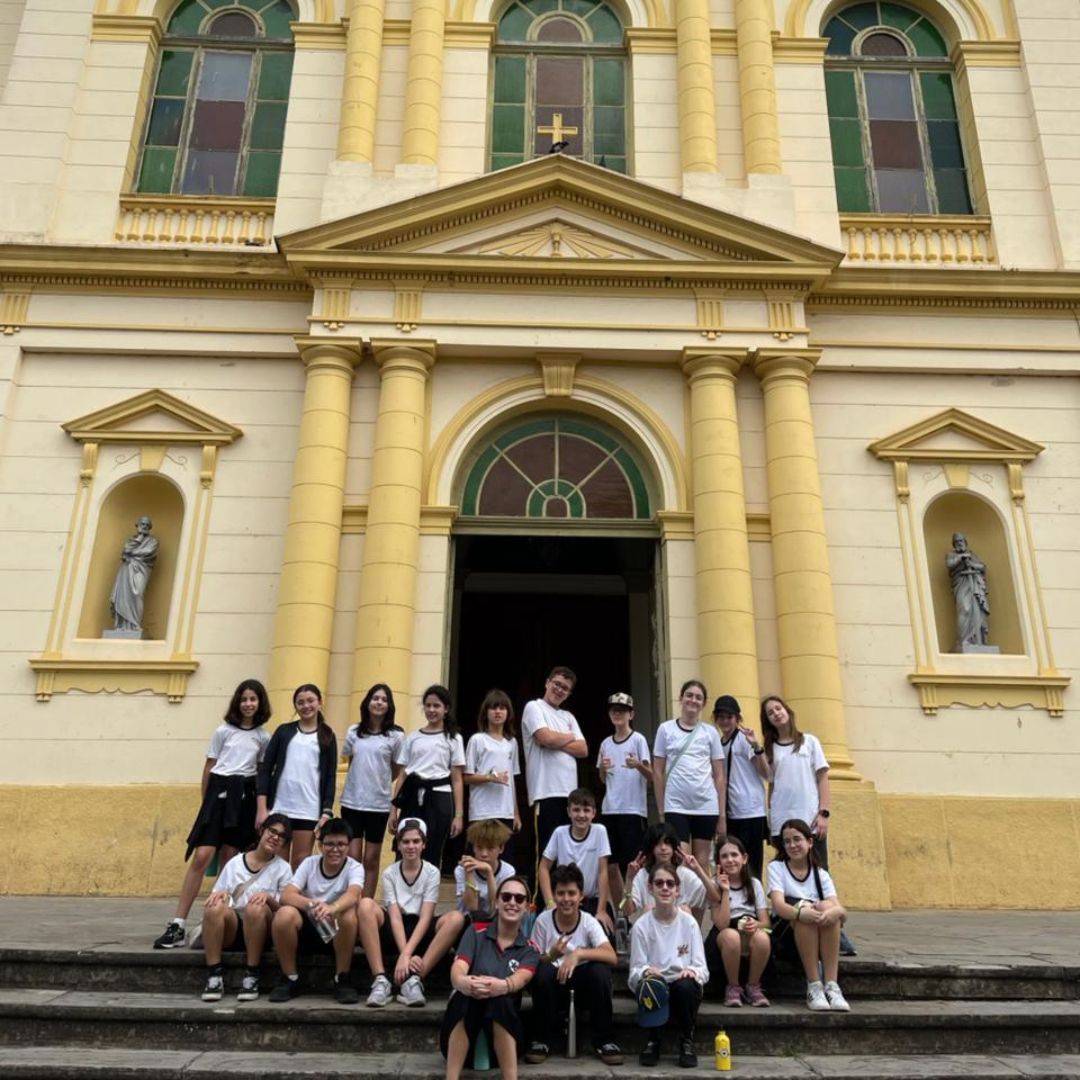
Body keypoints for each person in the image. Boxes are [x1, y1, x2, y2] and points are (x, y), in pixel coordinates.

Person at [153, 678, 272, 949]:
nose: (248, 704)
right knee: (202, 856)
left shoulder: (263, 737)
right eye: (244, 699)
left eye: (253, 699)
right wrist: (206, 802)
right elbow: (210, 766)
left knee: (230, 859)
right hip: (218, 795)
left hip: (243, 797)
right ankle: (178, 923)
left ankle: (214, 918)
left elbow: (260, 772)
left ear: (260, 703)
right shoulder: (223, 731)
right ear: (237, 702)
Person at [760, 694, 856, 956]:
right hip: (782, 822)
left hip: (810, 820)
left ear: (787, 710)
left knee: (820, 873)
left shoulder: (809, 742)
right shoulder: (770, 749)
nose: (776, 714)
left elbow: (823, 777)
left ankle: (834, 929)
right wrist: (771, 818)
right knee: (786, 876)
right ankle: (790, 927)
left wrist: (824, 812)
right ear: (767, 721)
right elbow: (771, 784)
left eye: (778, 708)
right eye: (770, 713)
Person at [359, 817, 466, 1007]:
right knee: (366, 904)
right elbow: (394, 917)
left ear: (424, 844)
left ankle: (414, 980)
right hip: (395, 930)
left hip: (421, 931)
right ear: (398, 845)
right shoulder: (389, 873)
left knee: (456, 918)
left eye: (416, 841)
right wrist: (406, 954)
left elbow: (426, 917)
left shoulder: (432, 872)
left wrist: (406, 955)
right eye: (406, 841)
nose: (411, 846)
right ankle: (380, 979)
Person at [441, 875, 539, 1080]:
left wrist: (500, 986)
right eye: (506, 897)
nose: (512, 902)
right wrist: (463, 982)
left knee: (500, 1000)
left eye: (519, 899)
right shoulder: (475, 932)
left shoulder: (529, 950)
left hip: (505, 1043)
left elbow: (520, 979)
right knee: (466, 995)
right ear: (497, 902)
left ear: (527, 908)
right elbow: (458, 969)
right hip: (461, 1040)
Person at [526, 863, 622, 1065]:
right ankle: (541, 1039)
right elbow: (531, 961)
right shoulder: (543, 920)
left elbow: (611, 956)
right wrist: (551, 955)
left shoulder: (588, 921)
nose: (566, 899)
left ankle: (604, 1040)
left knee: (600, 971)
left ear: (581, 896)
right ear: (554, 895)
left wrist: (578, 954)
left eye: (571, 893)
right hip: (553, 987)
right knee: (542, 972)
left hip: (583, 988)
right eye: (561, 893)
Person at [199, 813, 294, 1002]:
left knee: (255, 907)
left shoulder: (283, 868)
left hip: (262, 927)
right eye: (272, 831)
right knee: (214, 906)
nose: (275, 837)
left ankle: (252, 974)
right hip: (234, 927)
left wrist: (268, 898)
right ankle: (214, 975)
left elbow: (284, 910)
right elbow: (218, 893)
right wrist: (222, 895)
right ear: (262, 831)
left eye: (281, 836)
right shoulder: (235, 863)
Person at [268, 816, 363, 1003]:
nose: (335, 849)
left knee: (349, 914)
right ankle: (290, 978)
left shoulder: (355, 867)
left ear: (349, 846)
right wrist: (313, 904)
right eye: (329, 844)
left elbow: (353, 894)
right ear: (320, 845)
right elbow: (287, 895)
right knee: (284, 914)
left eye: (341, 844)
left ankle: (342, 978)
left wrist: (331, 908)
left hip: (338, 932)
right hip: (309, 927)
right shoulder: (309, 863)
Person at [629, 862, 708, 1068]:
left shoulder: (689, 923)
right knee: (649, 984)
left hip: (681, 985)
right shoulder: (641, 926)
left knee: (686, 986)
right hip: (657, 985)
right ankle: (653, 1040)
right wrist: (646, 971)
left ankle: (686, 1040)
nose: (665, 888)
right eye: (659, 883)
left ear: (677, 890)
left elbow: (702, 968)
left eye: (670, 884)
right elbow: (634, 971)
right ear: (650, 888)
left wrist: (691, 971)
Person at [767, 818, 850, 1013]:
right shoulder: (777, 868)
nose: (792, 845)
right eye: (787, 841)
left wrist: (833, 911)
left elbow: (841, 911)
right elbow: (779, 905)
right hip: (788, 936)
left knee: (829, 909)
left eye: (797, 839)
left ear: (810, 842)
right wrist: (800, 913)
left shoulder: (820, 874)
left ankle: (832, 985)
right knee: (805, 913)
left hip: (819, 935)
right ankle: (814, 985)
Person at [257, 683, 338, 868]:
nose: (306, 706)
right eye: (300, 702)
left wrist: (326, 812)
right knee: (276, 863)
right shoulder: (283, 731)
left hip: (308, 810)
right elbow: (265, 769)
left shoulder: (327, 736)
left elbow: (330, 777)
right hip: (279, 808)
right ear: (295, 706)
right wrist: (262, 809)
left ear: (320, 703)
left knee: (300, 864)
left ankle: (293, 890)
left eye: (310, 701)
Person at [390, 684, 465, 872]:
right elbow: (403, 775)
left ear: (446, 709)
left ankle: (429, 890)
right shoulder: (413, 737)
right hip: (411, 798)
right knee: (406, 847)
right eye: (428, 705)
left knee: (433, 850)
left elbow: (457, 779)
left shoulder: (454, 738)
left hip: (440, 798)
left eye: (436, 706)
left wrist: (458, 815)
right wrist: (393, 811)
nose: (432, 710)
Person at [652, 680, 727, 869]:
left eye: (698, 697)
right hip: (676, 805)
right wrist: (661, 809)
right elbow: (657, 772)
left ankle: (701, 891)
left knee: (701, 863)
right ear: (681, 698)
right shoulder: (665, 729)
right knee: (681, 861)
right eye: (689, 695)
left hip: (706, 805)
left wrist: (721, 816)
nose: (693, 700)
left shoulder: (710, 732)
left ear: (704, 703)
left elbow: (719, 775)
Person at [521, 666, 588, 875]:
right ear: (547, 683)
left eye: (565, 688)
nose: (559, 690)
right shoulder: (534, 707)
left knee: (565, 855)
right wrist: (569, 736)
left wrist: (554, 741)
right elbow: (545, 738)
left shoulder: (568, 716)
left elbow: (583, 749)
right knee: (544, 853)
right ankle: (540, 895)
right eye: (557, 684)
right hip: (545, 792)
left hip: (569, 796)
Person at [340, 683, 404, 897]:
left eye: (384, 699)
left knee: (371, 858)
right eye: (375, 698)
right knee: (353, 857)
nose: (379, 702)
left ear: (389, 705)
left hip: (378, 805)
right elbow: (351, 761)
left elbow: (397, 767)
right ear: (367, 702)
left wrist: (381, 781)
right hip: (352, 802)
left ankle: (366, 902)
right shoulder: (353, 731)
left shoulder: (395, 736)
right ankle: (351, 900)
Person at [597, 691, 652, 913]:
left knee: (635, 865)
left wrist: (637, 765)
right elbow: (602, 778)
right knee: (611, 865)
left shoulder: (638, 740)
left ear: (631, 714)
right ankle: (623, 913)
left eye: (622, 711)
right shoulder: (605, 743)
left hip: (633, 810)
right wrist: (603, 769)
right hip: (610, 809)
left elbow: (651, 775)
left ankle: (639, 909)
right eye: (614, 711)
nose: (618, 714)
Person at [705, 835, 771, 1008]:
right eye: (724, 856)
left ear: (744, 858)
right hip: (724, 932)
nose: (730, 860)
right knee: (731, 936)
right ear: (718, 862)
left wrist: (756, 925)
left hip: (748, 929)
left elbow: (766, 922)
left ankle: (753, 986)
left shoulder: (754, 884)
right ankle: (733, 986)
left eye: (734, 855)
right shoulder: (714, 884)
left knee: (763, 938)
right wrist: (726, 891)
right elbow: (721, 924)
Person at [538, 787, 613, 932]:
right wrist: (550, 902)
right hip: (564, 899)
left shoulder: (600, 831)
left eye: (586, 810)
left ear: (594, 813)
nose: (581, 815)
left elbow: (603, 871)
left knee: (605, 932)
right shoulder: (559, 833)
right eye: (576, 810)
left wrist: (601, 910)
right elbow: (543, 867)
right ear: (568, 812)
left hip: (590, 900)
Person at [712, 694, 769, 880]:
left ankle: (755, 896)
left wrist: (757, 746)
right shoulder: (719, 743)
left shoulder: (744, 740)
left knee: (751, 864)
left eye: (729, 717)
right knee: (731, 864)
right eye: (721, 717)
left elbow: (766, 773)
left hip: (750, 811)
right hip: (731, 812)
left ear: (737, 718)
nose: (724, 721)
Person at [464, 688, 521, 851]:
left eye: (502, 708)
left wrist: (516, 813)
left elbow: (512, 781)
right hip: (482, 810)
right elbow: (466, 777)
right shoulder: (477, 740)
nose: (498, 712)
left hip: (505, 811)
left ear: (508, 713)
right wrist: (490, 777)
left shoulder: (512, 743)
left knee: (503, 857)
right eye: (493, 708)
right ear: (486, 712)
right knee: (479, 855)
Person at [625, 821, 714, 924]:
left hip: (680, 931)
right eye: (658, 844)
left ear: (674, 847)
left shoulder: (684, 873)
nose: (663, 848)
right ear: (651, 848)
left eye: (667, 843)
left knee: (685, 910)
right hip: (652, 931)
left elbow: (715, 897)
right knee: (649, 910)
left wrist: (698, 869)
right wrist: (629, 880)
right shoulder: (642, 875)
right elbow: (628, 911)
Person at [455, 818, 517, 917]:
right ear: (473, 847)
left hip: (495, 920)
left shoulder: (508, 871)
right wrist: (469, 872)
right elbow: (472, 907)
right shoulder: (461, 869)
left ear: (501, 848)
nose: (484, 854)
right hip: (467, 920)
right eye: (479, 848)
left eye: (490, 848)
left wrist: (489, 872)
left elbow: (496, 906)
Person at [109, 514, 158, 632]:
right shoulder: (132, 540)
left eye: (147, 525)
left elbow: (147, 552)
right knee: (123, 595)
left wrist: (131, 553)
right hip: (126, 569)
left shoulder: (153, 541)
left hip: (141, 569)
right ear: (138, 525)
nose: (144, 526)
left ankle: (135, 624)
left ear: (150, 527)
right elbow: (126, 550)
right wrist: (138, 540)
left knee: (137, 594)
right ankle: (121, 625)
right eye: (142, 524)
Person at [947, 532, 991, 649]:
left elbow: (982, 567)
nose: (959, 543)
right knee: (965, 610)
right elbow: (950, 564)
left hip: (974, 585)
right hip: (961, 584)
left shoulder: (972, 555)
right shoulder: (951, 555)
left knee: (977, 611)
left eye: (961, 541)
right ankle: (964, 640)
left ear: (965, 542)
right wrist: (961, 558)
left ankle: (978, 640)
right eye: (956, 541)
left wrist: (971, 563)